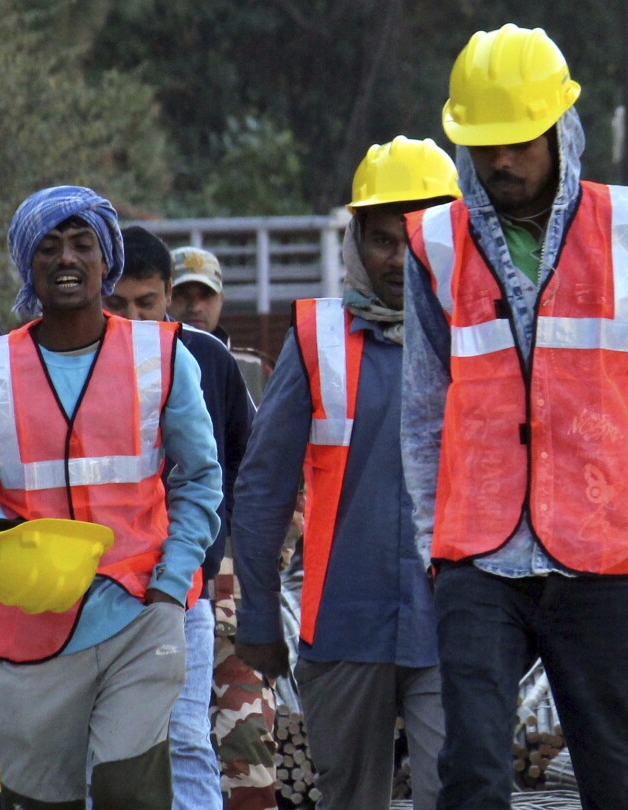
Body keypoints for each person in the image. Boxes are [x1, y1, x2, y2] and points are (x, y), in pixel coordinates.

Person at [402, 25, 628, 810]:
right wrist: (436, 541)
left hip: (602, 553)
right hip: (479, 556)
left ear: (560, 130)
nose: (502, 162)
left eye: (520, 142)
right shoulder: (435, 245)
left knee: (615, 773)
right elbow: (424, 407)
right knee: (472, 772)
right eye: (486, 144)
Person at [0, 185, 222, 808]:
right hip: (30, 624)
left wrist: (173, 586)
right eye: (49, 247)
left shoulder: (162, 354)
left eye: (81, 245)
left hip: (141, 612)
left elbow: (200, 477)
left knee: (130, 792)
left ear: (105, 259)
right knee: (37, 800)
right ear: (27, 264)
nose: (66, 259)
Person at [233, 137, 461, 810]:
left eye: (418, 238)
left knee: (462, 792)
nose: (401, 259)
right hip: (342, 625)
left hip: (456, 621)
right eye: (384, 240)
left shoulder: (481, 339)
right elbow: (262, 488)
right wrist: (256, 616)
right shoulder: (317, 338)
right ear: (358, 240)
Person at [107, 226, 255, 808]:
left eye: (148, 302)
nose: (136, 317)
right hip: (97, 587)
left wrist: (213, 547)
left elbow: (243, 457)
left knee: (188, 739)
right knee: (109, 745)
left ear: (168, 294)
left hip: (184, 586)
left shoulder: (208, 358)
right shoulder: (79, 361)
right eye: (119, 304)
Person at [168, 246, 270, 402]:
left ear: (221, 298)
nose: (195, 307)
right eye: (181, 295)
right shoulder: (148, 367)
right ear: (164, 298)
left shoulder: (255, 369)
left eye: (206, 295)